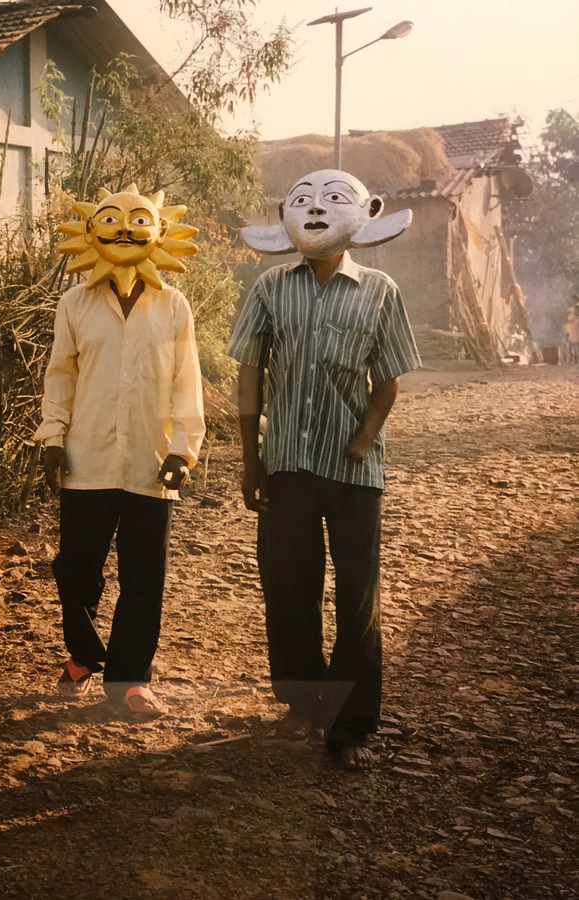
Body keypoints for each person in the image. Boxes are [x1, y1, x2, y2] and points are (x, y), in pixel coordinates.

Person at [227, 169, 421, 769]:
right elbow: (250, 374)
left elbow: (388, 380)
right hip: (286, 463)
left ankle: (351, 725)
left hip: (353, 473)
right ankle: (303, 704)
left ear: (363, 214)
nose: (316, 211)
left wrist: (363, 439)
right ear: (285, 215)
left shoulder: (380, 290)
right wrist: (251, 460)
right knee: (288, 587)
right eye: (303, 202)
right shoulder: (270, 287)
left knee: (357, 596)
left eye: (333, 201)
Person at [35, 185, 206, 717]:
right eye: (113, 222)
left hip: (150, 463)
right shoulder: (75, 303)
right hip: (85, 459)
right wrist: (52, 436)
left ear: (159, 232)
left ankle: (130, 679)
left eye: (139, 223)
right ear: (92, 231)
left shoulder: (172, 306)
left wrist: (183, 450)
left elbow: (186, 382)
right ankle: (85, 654)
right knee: (75, 569)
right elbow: (60, 376)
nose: (126, 231)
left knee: (144, 575)